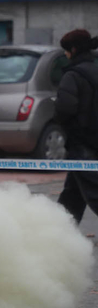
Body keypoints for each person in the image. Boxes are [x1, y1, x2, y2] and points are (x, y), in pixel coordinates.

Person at [54, 29, 98, 223]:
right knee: (73, 195)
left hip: (82, 143)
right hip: (93, 141)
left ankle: (59, 232)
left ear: (73, 49)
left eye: (66, 50)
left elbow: (65, 109)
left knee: (94, 191)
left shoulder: (73, 75)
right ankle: (60, 233)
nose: (65, 54)